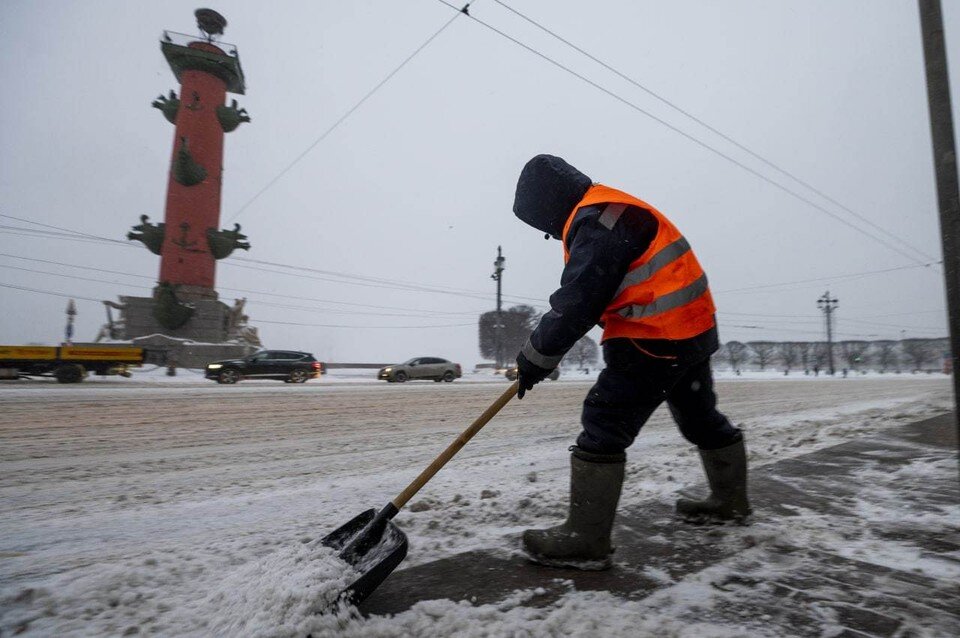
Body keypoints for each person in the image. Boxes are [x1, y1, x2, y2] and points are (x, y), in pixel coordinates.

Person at [512, 154, 751, 571]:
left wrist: (535, 358)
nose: (550, 236)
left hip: (654, 337)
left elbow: (579, 301)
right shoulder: (612, 207)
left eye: (543, 226)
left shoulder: (599, 221)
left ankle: (585, 538)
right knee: (699, 415)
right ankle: (730, 502)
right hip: (692, 330)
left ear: (549, 205)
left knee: (604, 421)